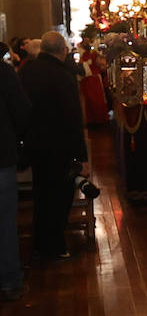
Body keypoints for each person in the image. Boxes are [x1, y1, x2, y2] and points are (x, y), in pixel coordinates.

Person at [18, 32, 88, 262]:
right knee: (59, 199)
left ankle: (40, 244)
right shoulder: (62, 74)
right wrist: (81, 155)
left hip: (34, 145)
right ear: (63, 50)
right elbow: (73, 118)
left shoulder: (27, 70)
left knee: (42, 196)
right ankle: (54, 246)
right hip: (59, 148)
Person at [0, 56, 31, 299]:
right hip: (1, 157)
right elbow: (22, 111)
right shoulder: (4, 71)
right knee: (5, 222)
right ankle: (10, 280)